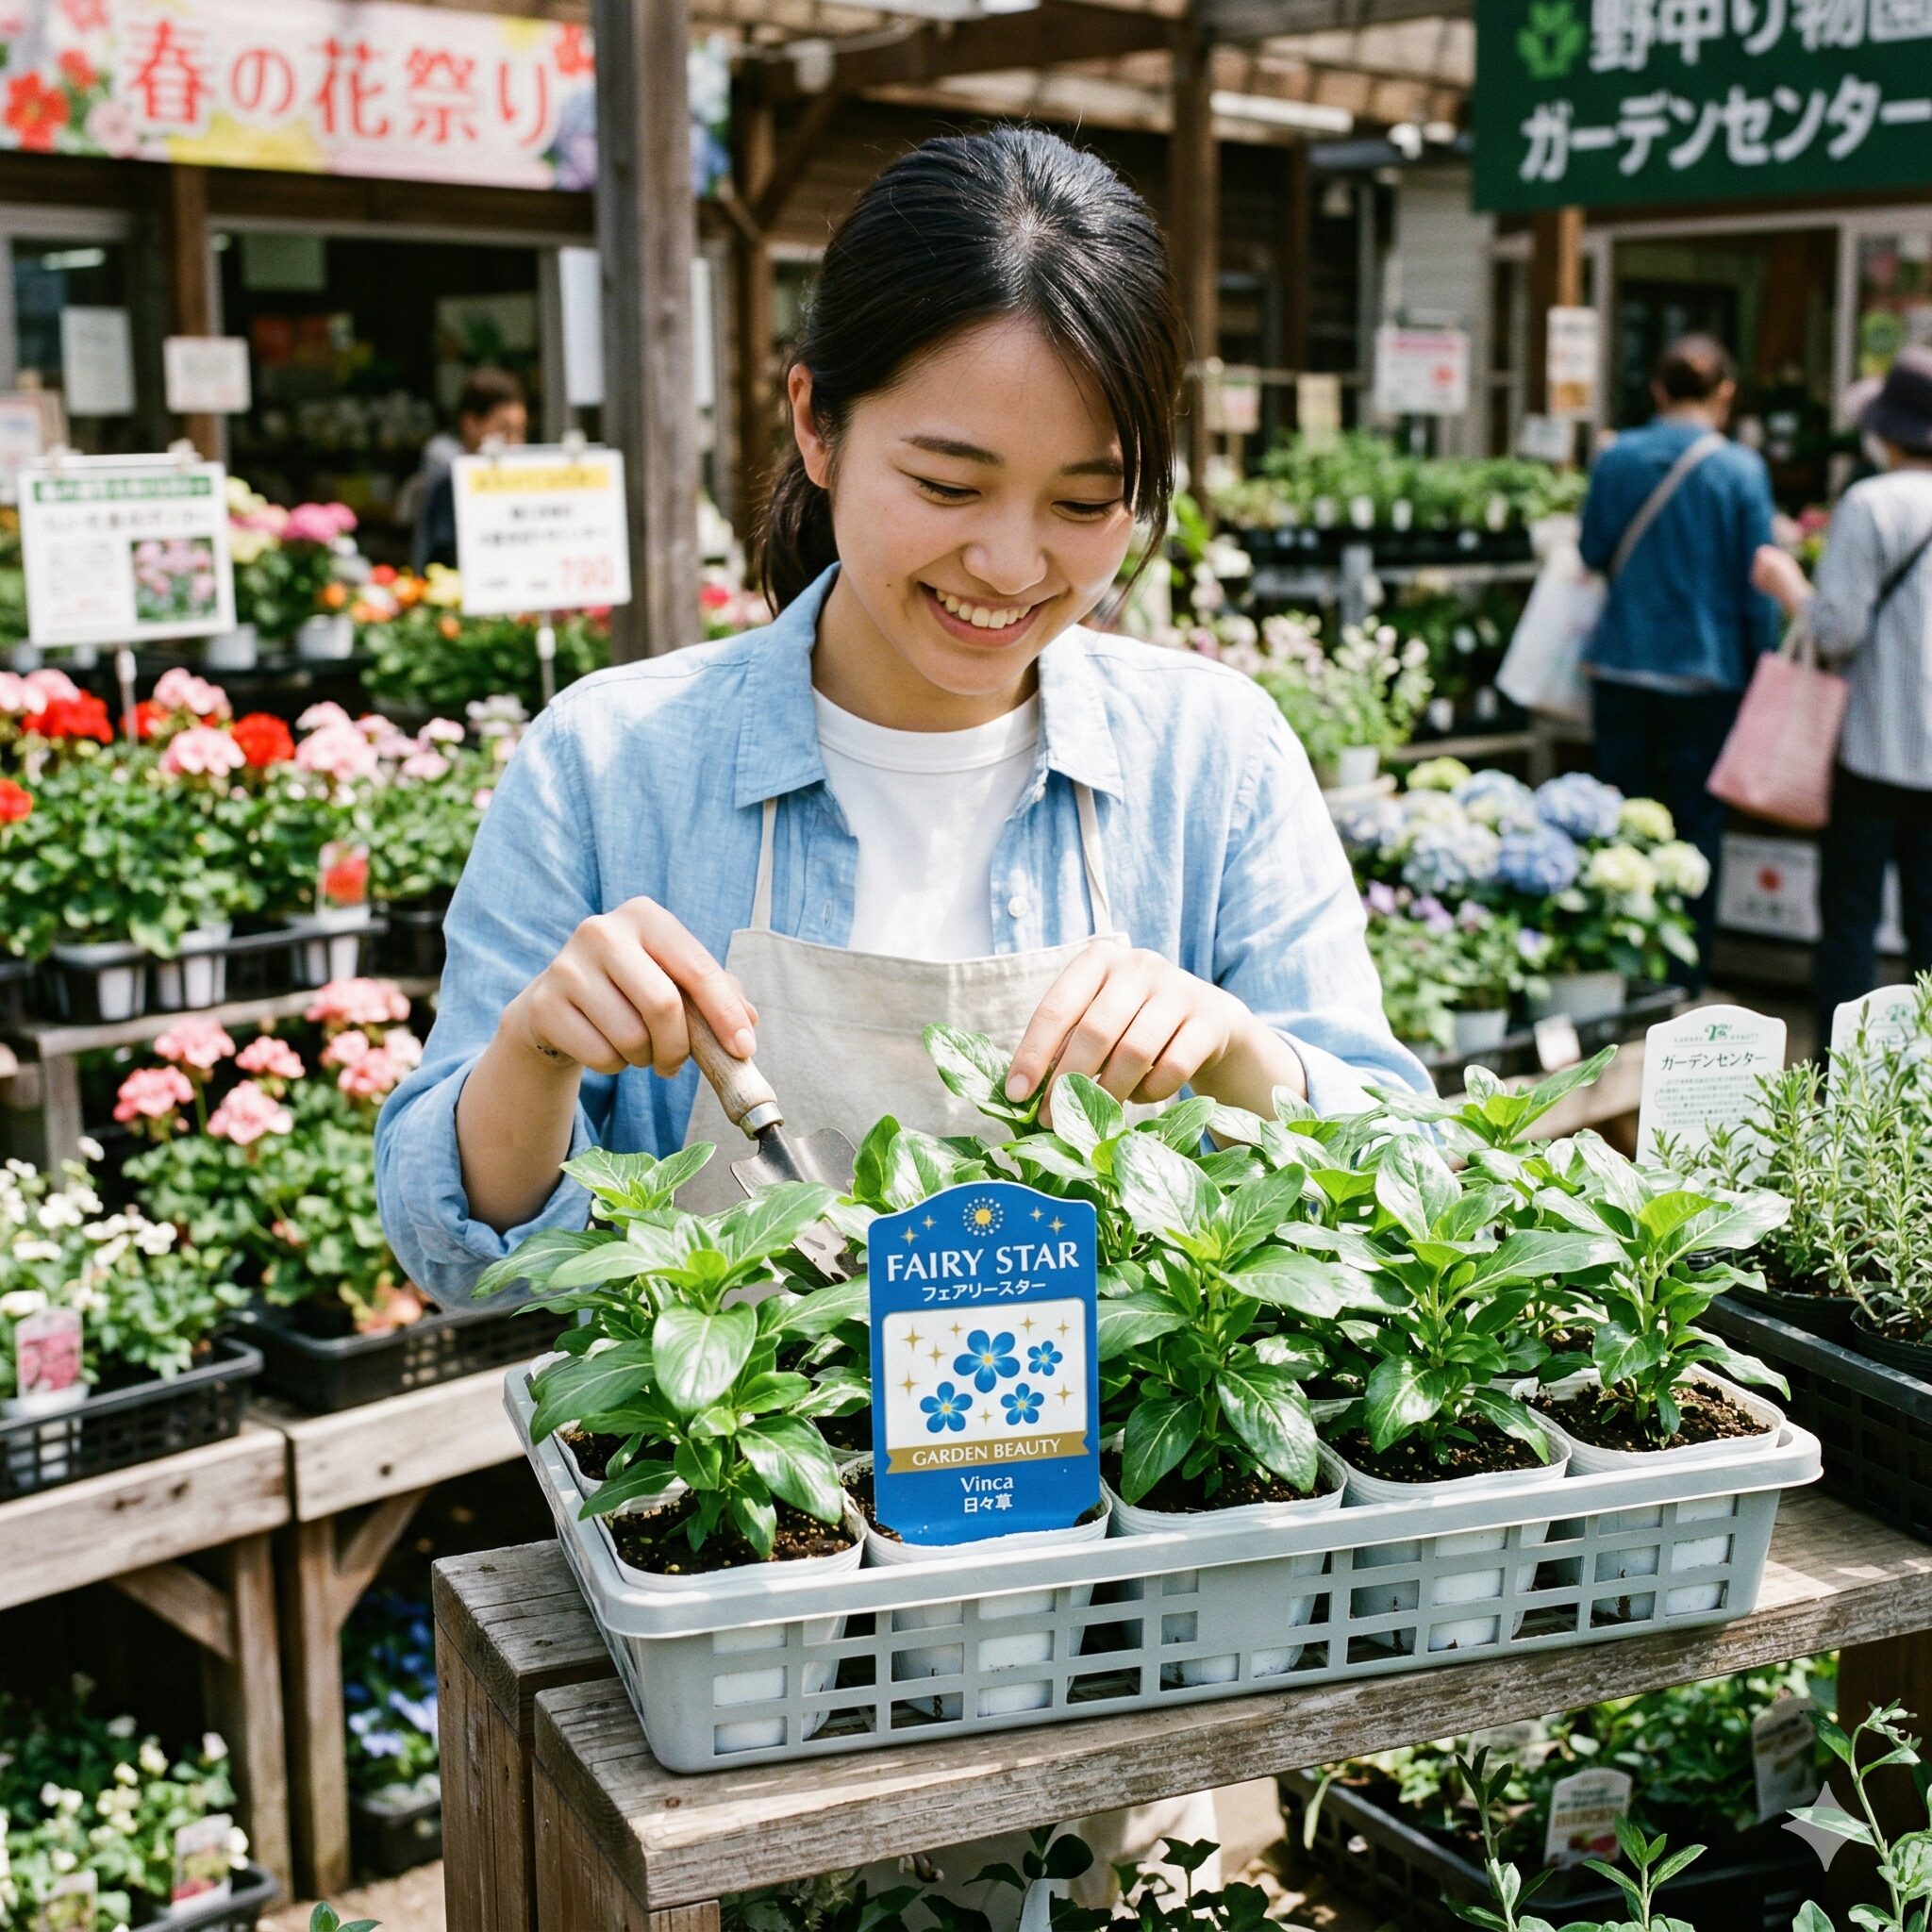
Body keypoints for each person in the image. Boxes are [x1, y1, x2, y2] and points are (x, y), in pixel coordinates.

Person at [375, 126, 1425, 1903]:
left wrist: (1240, 1053)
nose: (1013, 560)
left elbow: (1404, 1165)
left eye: (1086, 498)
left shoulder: (1204, 759)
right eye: (949, 477)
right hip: (731, 1632)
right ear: (812, 427)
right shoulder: (620, 764)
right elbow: (452, 1250)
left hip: (1114, 1628)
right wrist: (535, 1055)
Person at [1577, 334, 1781, 991]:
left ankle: (1619, 969)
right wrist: (1763, 667)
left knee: (1619, 818)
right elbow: (1758, 583)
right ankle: (1686, 975)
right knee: (1696, 825)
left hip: (1623, 662)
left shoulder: (1617, 458)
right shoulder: (1740, 470)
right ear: (1725, 393)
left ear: (1658, 391)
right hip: (1707, 671)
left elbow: (1589, 550)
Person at [1751, 345, 1932, 1051]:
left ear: (1886, 431)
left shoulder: (1870, 503)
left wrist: (1788, 583)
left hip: (1873, 746)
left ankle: (1845, 1082)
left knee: (1851, 920)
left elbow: (1837, 629)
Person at [409, 366, 529, 571]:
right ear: (470, 423)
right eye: (505, 430)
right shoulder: (447, 478)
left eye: (520, 432)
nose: (515, 444)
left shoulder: (528, 480)